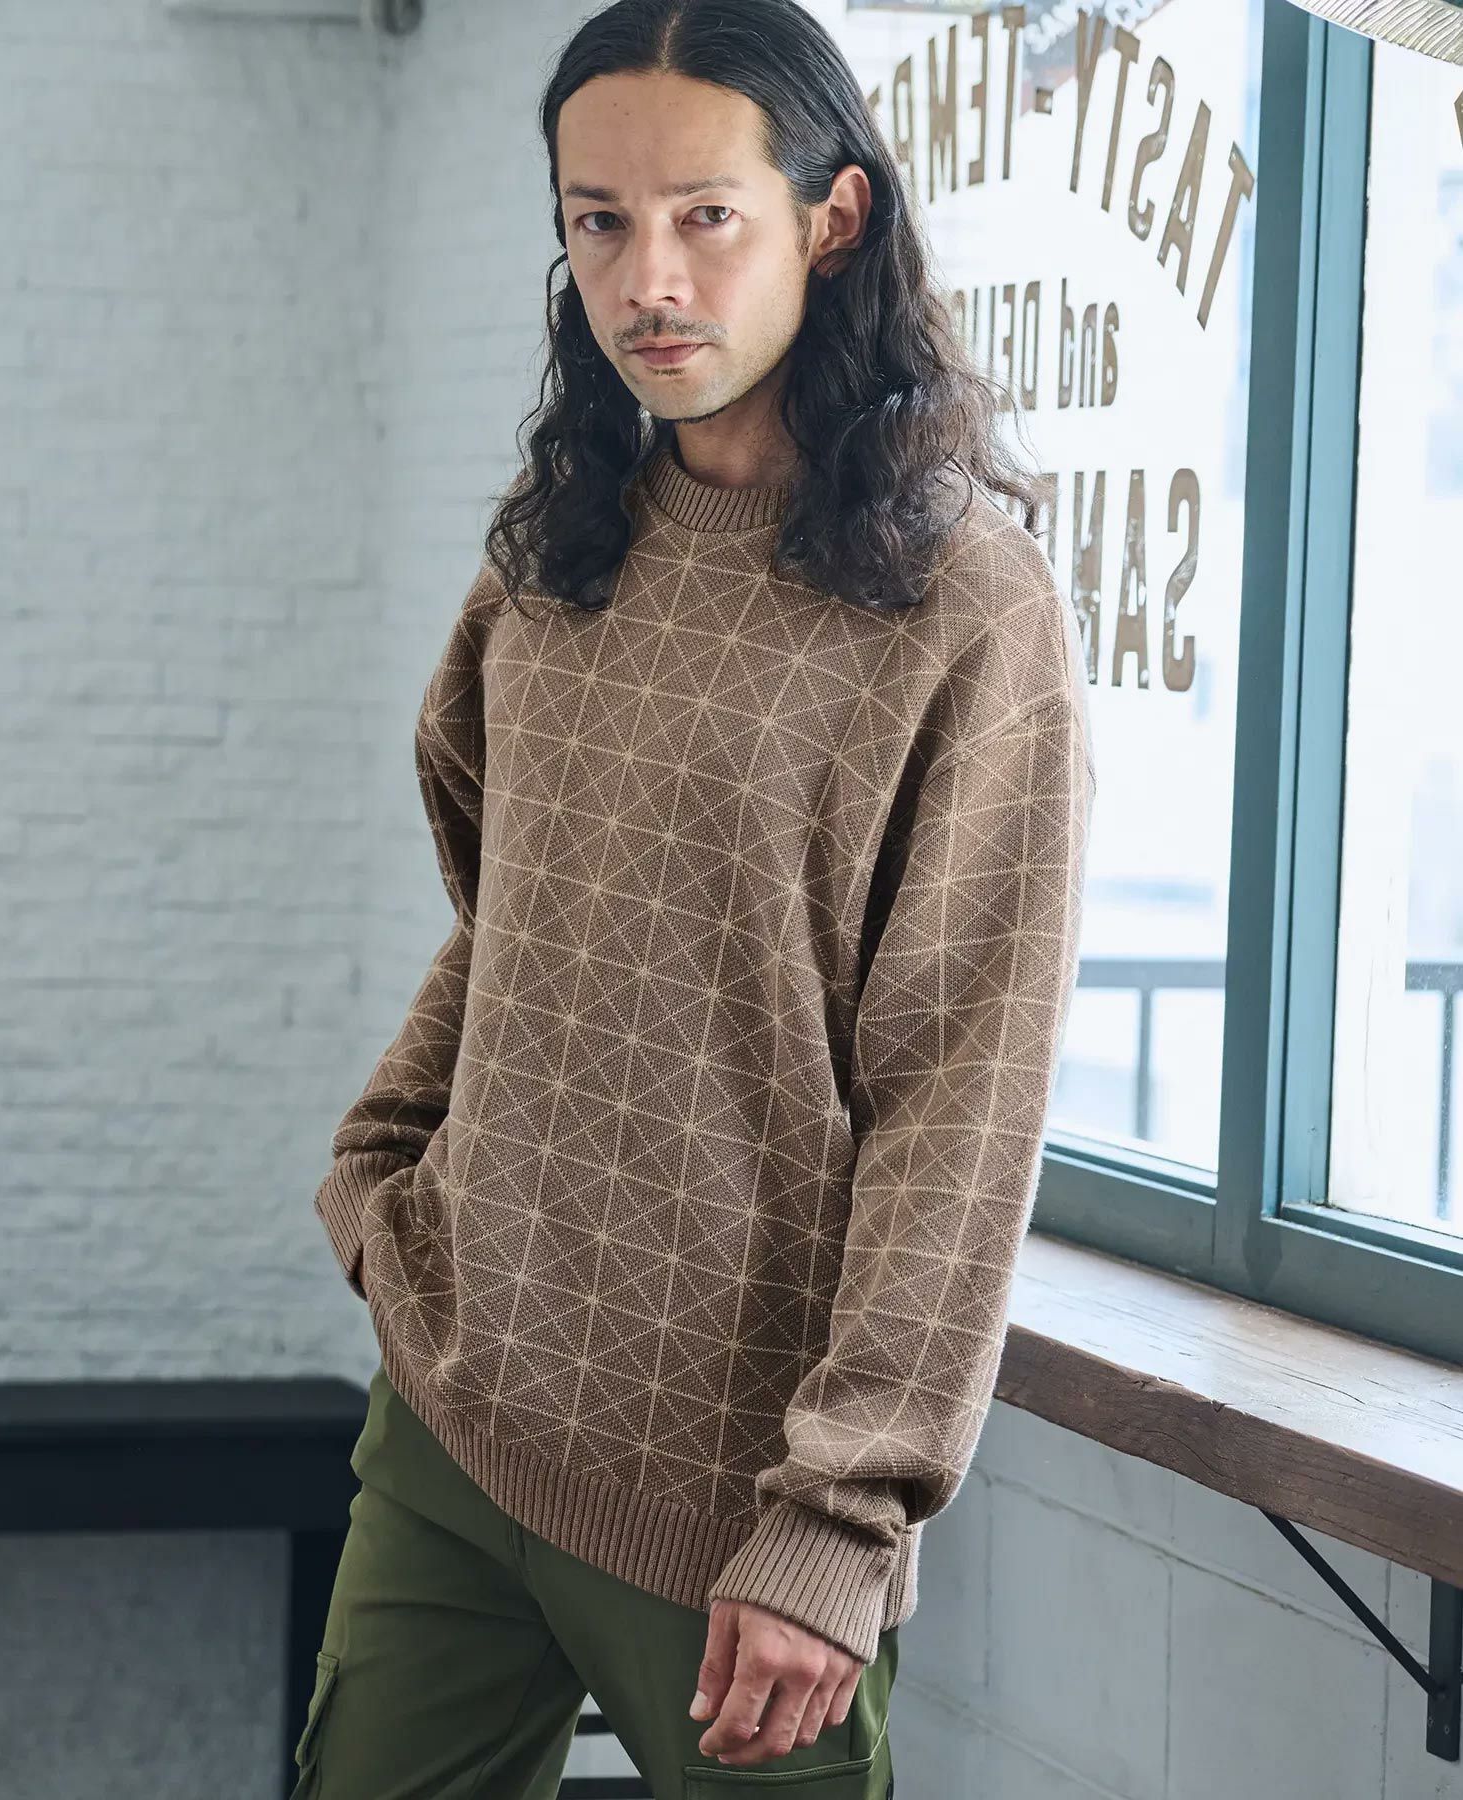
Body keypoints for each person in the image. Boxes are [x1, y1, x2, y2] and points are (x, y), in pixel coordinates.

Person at [295, 0, 1096, 1794]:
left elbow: (963, 1103)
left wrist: (842, 1520)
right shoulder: (556, 558)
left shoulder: (968, 609)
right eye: (599, 220)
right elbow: (513, 920)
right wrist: (379, 1166)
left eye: (705, 215)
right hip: (456, 1411)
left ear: (835, 217)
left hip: (738, 1508)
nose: (647, 279)